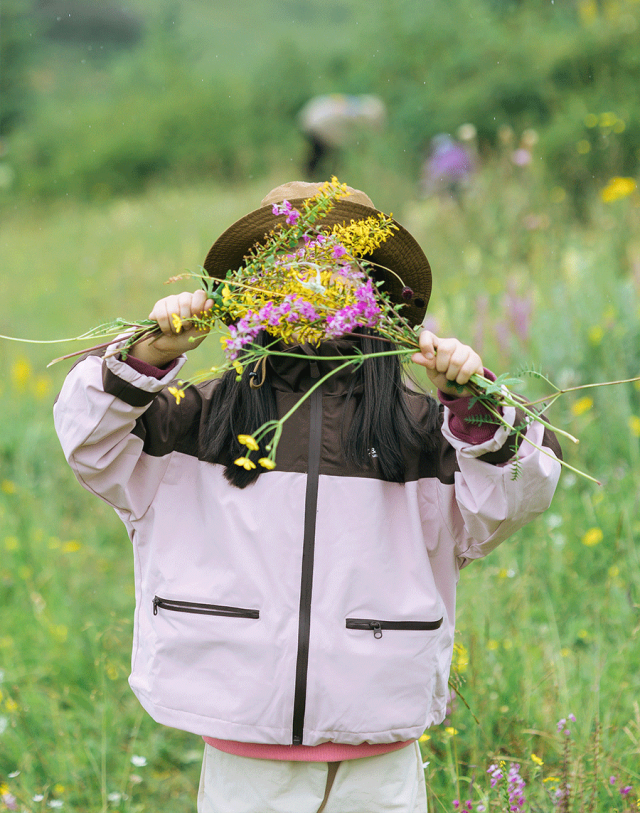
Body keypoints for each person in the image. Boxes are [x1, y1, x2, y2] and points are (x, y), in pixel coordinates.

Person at [54, 181, 562, 813]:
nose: (312, 280)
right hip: (243, 749)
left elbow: (518, 496)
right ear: (252, 290)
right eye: (288, 265)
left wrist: (474, 399)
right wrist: (149, 354)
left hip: (380, 753)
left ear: (374, 294)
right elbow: (87, 439)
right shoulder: (191, 418)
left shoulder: (421, 425)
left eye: (335, 264)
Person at [298, 94, 386, 178]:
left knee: (319, 155)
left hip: (310, 118)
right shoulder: (358, 113)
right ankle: (317, 177)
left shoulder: (353, 104)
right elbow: (346, 135)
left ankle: (312, 176)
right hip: (318, 125)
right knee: (325, 156)